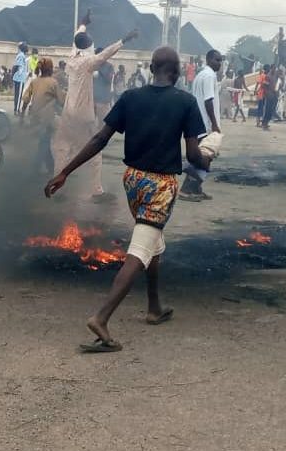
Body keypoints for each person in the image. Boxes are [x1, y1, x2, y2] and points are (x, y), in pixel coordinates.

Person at [43, 46, 210, 353]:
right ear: (177, 71)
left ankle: (154, 306)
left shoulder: (131, 98)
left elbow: (99, 138)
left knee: (153, 242)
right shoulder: (186, 103)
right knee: (141, 248)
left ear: (150, 67)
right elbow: (193, 154)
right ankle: (102, 318)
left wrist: (65, 171)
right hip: (161, 185)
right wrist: (207, 161)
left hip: (133, 180)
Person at [51, 9, 138, 201]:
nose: (92, 42)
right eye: (91, 41)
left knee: (63, 147)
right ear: (88, 46)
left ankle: (57, 183)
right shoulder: (88, 63)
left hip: (68, 111)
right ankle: (96, 190)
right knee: (94, 151)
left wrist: (83, 22)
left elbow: (78, 36)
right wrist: (125, 39)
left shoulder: (73, 55)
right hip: (83, 114)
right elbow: (105, 54)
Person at [179, 49, 222, 202]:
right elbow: (208, 100)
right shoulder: (210, 75)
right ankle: (186, 190)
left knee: (202, 156)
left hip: (198, 121)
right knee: (205, 157)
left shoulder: (200, 75)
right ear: (209, 60)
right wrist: (215, 124)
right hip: (205, 123)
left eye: (221, 60)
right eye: (217, 60)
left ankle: (196, 188)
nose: (220, 63)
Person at [19, 57, 64, 175]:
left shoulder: (34, 82)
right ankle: (38, 167)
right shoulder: (53, 82)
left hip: (34, 117)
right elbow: (61, 100)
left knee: (44, 141)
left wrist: (22, 115)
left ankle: (49, 166)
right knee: (44, 142)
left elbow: (25, 100)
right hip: (47, 118)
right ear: (50, 69)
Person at [93, 48, 114, 123]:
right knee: (90, 122)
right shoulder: (93, 65)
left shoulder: (109, 66)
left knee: (102, 123)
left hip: (103, 100)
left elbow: (109, 80)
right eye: (96, 55)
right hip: (92, 99)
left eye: (99, 55)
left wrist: (100, 72)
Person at [12, 42, 28, 113]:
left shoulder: (20, 55)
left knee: (17, 95)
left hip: (18, 78)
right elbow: (16, 66)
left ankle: (16, 108)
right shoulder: (21, 56)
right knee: (18, 96)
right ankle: (17, 110)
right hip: (20, 78)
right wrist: (13, 75)